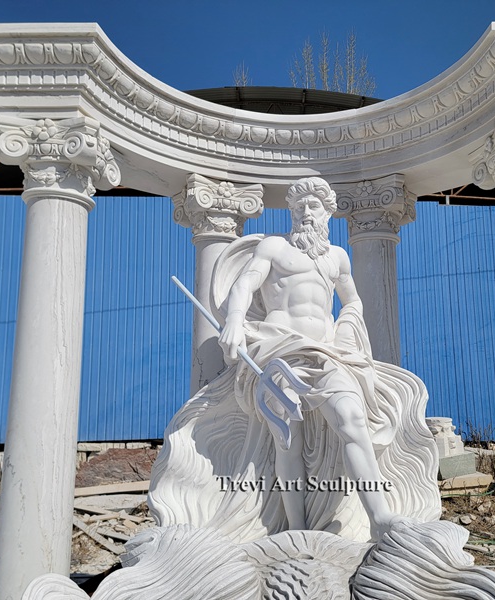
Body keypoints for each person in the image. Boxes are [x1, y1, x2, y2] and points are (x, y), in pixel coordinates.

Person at [149, 177, 440, 544]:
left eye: (313, 206)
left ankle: (380, 517)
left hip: (326, 352)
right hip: (279, 349)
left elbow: (351, 301)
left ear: (328, 212)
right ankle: (297, 527)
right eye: (298, 207)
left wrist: (348, 329)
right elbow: (245, 284)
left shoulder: (337, 257)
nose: (305, 213)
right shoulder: (274, 248)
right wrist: (236, 319)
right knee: (287, 435)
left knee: (352, 418)